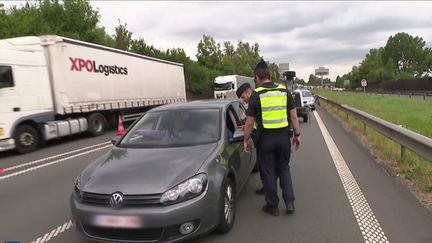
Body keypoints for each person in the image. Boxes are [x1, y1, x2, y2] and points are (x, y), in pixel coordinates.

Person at [243, 58, 301, 216]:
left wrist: (246, 140)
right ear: (269, 75)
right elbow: (294, 117)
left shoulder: (257, 94)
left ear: (257, 77)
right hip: (283, 138)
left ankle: (272, 206)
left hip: (266, 140)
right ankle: (289, 203)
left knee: (268, 171)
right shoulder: (283, 91)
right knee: (284, 168)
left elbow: (249, 123)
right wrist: (297, 135)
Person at [236, 83, 265, 195]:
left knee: (265, 165)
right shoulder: (259, 98)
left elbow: (250, 122)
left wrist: (245, 139)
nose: (244, 101)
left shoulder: (254, 102)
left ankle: (268, 189)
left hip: (263, 138)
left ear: (248, 92)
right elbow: (255, 122)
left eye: (243, 97)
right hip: (269, 136)